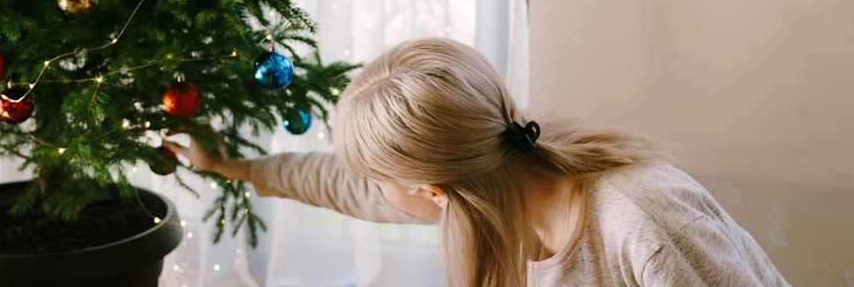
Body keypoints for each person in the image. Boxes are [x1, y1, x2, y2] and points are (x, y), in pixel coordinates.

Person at [164, 37, 791, 287]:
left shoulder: (643, 224)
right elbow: (339, 183)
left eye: (381, 179)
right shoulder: (485, 182)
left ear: (431, 189)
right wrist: (229, 167)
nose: (370, 190)